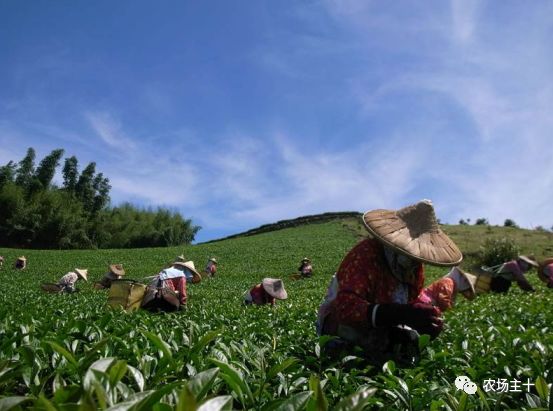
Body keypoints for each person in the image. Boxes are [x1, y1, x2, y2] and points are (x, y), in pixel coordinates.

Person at [316, 200, 462, 366]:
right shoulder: (366, 254)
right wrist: (400, 314)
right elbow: (346, 309)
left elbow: (408, 301)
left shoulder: (414, 269)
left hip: (382, 326)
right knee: (353, 356)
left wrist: (423, 317)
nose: (414, 259)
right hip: (339, 325)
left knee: (404, 347)